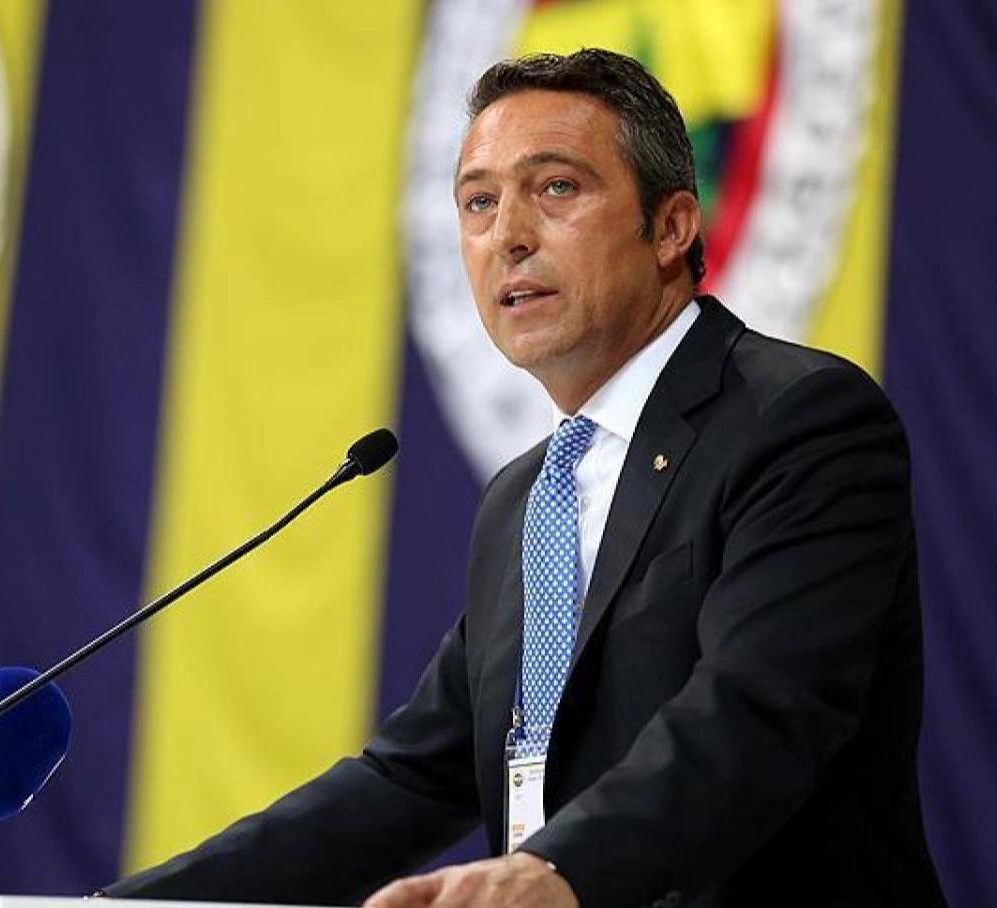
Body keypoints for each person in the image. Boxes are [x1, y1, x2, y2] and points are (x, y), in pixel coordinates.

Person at [102, 49, 946, 908]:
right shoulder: (526, 497)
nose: (507, 234)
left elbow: (758, 709)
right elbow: (409, 779)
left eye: (555, 188)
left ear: (670, 228)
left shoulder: (796, 421)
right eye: (478, 202)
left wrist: (559, 869)